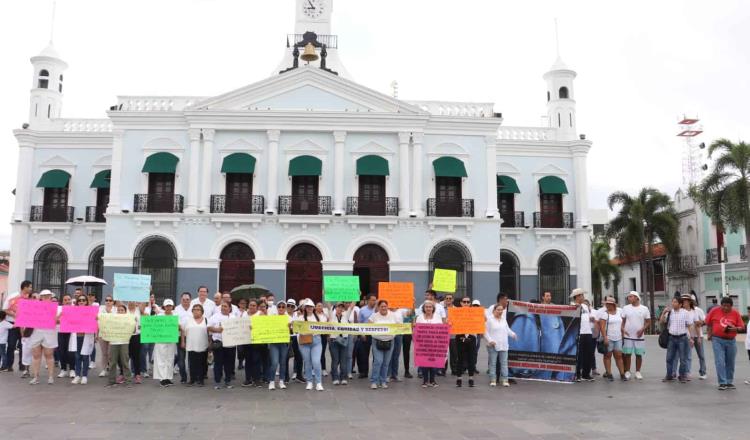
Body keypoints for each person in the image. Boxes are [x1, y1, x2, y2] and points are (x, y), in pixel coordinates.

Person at [705, 296, 744, 390]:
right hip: (717, 339)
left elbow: (741, 326)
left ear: (731, 306)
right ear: (721, 305)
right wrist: (709, 333)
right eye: (724, 306)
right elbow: (708, 322)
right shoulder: (714, 311)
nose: (725, 308)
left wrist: (735, 328)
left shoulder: (735, 313)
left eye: (728, 306)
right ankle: (722, 382)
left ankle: (729, 381)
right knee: (720, 361)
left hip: (731, 340)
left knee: (730, 361)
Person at [660, 296, 696, 383]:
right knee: (669, 358)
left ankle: (682, 375)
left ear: (680, 304)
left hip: (682, 338)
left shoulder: (685, 313)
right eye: (672, 302)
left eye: (675, 302)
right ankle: (669, 375)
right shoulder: (669, 313)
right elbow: (661, 321)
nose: (673, 303)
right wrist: (663, 312)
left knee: (683, 359)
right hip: (671, 338)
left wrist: (691, 338)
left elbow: (690, 325)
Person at [28, 289, 59, 385]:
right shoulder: (34, 306)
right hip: (36, 332)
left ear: (51, 296)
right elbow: (27, 317)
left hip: (49, 332)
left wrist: (56, 317)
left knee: (49, 355)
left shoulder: (56, 307)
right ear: (41, 297)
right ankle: (35, 377)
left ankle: (50, 377)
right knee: (36, 356)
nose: (46, 297)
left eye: (48, 295)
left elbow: (58, 321)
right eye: (44, 295)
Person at [2, 280, 33, 372]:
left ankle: (22, 365)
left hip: (25, 325)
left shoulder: (30, 298)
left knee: (23, 345)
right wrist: (15, 315)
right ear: (24, 287)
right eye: (30, 287)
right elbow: (5, 309)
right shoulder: (13, 296)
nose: (31, 289)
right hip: (13, 324)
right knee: (11, 345)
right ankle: (9, 365)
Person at [368, 299, 399, 389]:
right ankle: (374, 381)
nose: (383, 308)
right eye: (381, 306)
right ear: (378, 307)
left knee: (386, 363)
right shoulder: (374, 316)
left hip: (389, 341)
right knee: (378, 361)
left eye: (385, 306)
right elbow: (368, 326)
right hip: (377, 341)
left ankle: (383, 381)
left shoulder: (393, 315)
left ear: (387, 307)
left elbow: (399, 326)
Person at [295, 299, 325, 391]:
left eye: (311, 307)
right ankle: (309, 382)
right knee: (307, 362)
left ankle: (319, 382)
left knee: (316, 362)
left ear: (314, 308)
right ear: (305, 308)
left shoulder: (320, 318)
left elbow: (328, 325)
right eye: (307, 307)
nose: (309, 308)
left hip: (316, 341)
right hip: (304, 342)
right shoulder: (300, 318)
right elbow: (296, 330)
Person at [620, 291, 651, 380]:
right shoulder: (625, 308)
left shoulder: (644, 308)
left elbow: (648, 322)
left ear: (637, 298)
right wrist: (622, 329)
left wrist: (642, 329)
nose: (629, 298)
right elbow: (623, 321)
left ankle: (638, 371)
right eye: (628, 297)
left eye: (631, 296)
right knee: (627, 354)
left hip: (639, 336)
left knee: (638, 354)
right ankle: (627, 371)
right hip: (628, 336)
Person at [485, 304, 517, 387]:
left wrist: (513, 334)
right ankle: (493, 380)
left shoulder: (503, 319)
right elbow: (485, 331)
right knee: (493, 363)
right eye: (498, 310)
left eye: (501, 310)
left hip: (503, 344)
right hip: (493, 345)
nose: (500, 311)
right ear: (494, 310)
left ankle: (505, 380)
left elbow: (507, 329)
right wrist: (490, 340)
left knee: (504, 363)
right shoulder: (489, 319)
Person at [208, 301, 236, 390]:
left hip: (230, 344)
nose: (223, 308)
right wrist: (217, 329)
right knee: (218, 364)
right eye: (222, 306)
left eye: (225, 306)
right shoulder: (215, 316)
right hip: (219, 343)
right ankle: (217, 382)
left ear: (230, 308)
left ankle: (227, 381)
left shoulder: (234, 317)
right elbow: (208, 327)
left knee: (229, 364)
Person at [68, 294, 95, 385]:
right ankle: (77, 375)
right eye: (79, 300)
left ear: (86, 301)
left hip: (86, 336)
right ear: (77, 302)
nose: (81, 302)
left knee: (85, 356)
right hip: (77, 337)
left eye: (83, 300)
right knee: (77, 356)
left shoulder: (91, 311)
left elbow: (96, 321)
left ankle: (84, 376)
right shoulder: (73, 311)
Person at [416, 300, 443, 387]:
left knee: (434, 363)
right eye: (426, 307)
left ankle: (432, 380)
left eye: (430, 307)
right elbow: (417, 330)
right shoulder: (419, 317)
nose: (428, 308)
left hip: (435, 344)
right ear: (423, 308)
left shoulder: (438, 317)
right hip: (423, 344)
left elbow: (441, 329)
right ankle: (425, 381)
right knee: (424, 363)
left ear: (433, 308)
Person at [599, 296, 626, 381]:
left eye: (609, 304)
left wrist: (623, 333)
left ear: (614, 304)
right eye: (606, 304)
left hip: (618, 337)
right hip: (609, 337)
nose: (607, 305)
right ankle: (609, 373)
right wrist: (605, 338)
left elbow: (623, 322)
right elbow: (602, 327)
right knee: (608, 356)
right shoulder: (605, 314)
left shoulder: (620, 312)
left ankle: (622, 374)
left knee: (619, 356)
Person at [181, 303, 209, 387]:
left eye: (198, 309)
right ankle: (192, 379)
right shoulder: (188, 320)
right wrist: (183, 341)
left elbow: (209, 332)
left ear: (202, 311)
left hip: (203, 345)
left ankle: (201, 380)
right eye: (194, 309)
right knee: (192, 363)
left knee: (202, 363)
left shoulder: (206, 320)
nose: (196, 311)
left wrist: (210, 342)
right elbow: (183, 332)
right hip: (191, 345)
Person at [107, 304, 135, 386]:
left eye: (122, 310)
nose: (120, 312)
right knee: (112, 362)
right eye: (118, 310)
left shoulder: (129, 320)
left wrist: (134, 322)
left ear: (125, 312)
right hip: (113, 342)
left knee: (125, 362)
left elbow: (133, 331)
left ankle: (128, 381)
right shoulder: (112, 320)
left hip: (124, 342)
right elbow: (106, 328)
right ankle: (111, 381)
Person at [571, 289, 595, 381]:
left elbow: (587, 317)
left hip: (588, 332)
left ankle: (586, 374)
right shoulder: (572, 306)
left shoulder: (585, 306)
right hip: (579, 333)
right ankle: (577, 374)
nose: (583, 297)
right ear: (577, 296)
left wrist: (591, 318)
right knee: (579, 355)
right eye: (581, 295)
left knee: (589, 354)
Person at [153, 299, 178, 387]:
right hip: (161, 341)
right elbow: (153, 327)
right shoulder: (159, 316)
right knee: (161, 359)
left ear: (172, 306)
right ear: (164, 307)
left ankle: (168, 378)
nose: (168, 307)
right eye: (167, 306)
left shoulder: (175, 315)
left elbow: (178, 327)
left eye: (170, 306)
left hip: (171, 341)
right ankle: (162, 378)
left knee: (170, 359)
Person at [267, 300, 291, 390]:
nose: (281, 308)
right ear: (277, 308)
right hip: (274, 343)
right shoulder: (273, 317)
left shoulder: (288, 318)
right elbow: (266, 327)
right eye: (279, 306)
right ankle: (272, 381)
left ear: (285, 308)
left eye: (283, 307)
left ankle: (281, 381)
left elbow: (292, 331)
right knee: (274, 362)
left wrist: (290, 327)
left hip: (284, 343)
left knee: (283, 363)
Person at [455, 297, 478, 387]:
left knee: (471, 359)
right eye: (464, 302)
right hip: (460, 336)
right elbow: (451, 322)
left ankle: (471, 378)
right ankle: (459, 378)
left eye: (468, 302)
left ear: (470, 303)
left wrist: (481, 314)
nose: (466, 303)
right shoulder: (456, 312)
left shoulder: (475, 313)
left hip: (471, 336)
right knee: (460, 358)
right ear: (461, 303)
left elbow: (483, 320)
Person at [329, 302, 354, 385]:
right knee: (335, 360)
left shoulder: (346, 315)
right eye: (338, 307)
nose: (340, 308)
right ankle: (335, 378)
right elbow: (329, 305)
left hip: (344, 340)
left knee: (343, 360)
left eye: (341, 307)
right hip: (334, 341)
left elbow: (351, 306)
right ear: (335, 308)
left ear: (343, 308)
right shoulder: (331, 316)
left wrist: (357, 295)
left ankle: (343, 377)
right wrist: (324, 294)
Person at [684, 294, 707, 380]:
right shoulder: (683, 311)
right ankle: (687, 372)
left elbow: (704, 321)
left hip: (698, 336)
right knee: (688, 355)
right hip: (688, 336)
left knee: (701, 355)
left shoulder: (698, 310)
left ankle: (703, 372)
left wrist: (700, 323)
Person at [355, 294, 377, 378]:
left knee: (376, 354)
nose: (374, 302)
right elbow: (359, 323)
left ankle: (375, 372)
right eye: (372, 300)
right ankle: (364, 372)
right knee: (363, 354)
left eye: (375, 300)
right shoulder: (362, 310)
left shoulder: (377, 310)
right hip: (365, 334)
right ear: (368, 301)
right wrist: (362, 334)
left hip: (376, 333)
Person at [174, 292, 192, 384]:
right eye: (183, 300)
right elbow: (176, 323)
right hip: (180, 336)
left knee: (192, 358)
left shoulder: (194, 308)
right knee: (181, 359)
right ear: (181, 300)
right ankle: (183, 377)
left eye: (187, 299)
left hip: (192, 336)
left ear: (190, 300)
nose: (185, 301)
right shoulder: (177, 309)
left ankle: (192, 377)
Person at [56, 294, 74, 379]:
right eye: (65, 300)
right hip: (61, 332)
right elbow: (55, 320)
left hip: (72, 332)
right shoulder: (59, 308)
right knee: (61, 351)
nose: (67, 301)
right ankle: (63, 369)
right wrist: (60, 315)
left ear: (71, 300)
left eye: (69, 299)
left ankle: (72, 369)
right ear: (62, 301)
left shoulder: (75, 309)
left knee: (71, 351)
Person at [97, 295, 116, 377]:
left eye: (110, 300)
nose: (108, 302)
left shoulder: (116, 310)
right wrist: (96, 334)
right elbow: (97, 322)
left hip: (113, 334)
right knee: (104, 353)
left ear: (113, 302)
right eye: (106, 300)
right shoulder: (101, 309)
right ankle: (103, 369)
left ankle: (112, 369)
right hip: (102, 334)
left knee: (111, 353)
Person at [126, 301, 143, 384]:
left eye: (133, 300)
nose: (131, 302)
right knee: (125, 356)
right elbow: (118, 301)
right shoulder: (124, 309)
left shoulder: (138, 310)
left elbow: (143, 302)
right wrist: (115, 288)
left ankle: (137, 375)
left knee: (136, 357)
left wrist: (147, 290)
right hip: (126, 336)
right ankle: (124, 374)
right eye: (130, 300)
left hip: (136, 336)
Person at [315, 302, 330, 377]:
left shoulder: (325, 315)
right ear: (315, 307)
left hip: (323, 336)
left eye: (321, 306)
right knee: (315, 353)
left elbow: (328, 324)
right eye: (318, 306)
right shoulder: (313, 315)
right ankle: (314, 369)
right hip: (315, 335)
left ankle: (323, 369)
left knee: (322, 352)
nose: (320, 307)